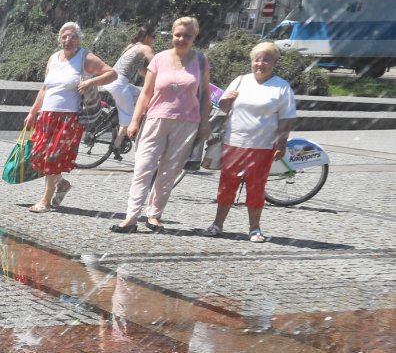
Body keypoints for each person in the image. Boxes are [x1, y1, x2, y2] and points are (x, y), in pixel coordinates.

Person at [112, 17, 211, 233]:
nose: (181, 39)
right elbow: (146, 93)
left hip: (187, 123)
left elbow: (205, 97)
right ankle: (131, 217)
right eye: (178, 35)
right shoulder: (158, 58)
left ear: (194, 37)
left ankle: (154, 215)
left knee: (169, 171)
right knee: (143, 167)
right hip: (155, 119)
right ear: (172, 35)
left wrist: (204, 124)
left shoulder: (201, 61)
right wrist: (135, 120)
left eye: (187, 35)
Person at [205, 42, 297, 243]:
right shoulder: (240, 81)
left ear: (274, 62)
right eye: (257, 59)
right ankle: (217, 224)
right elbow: (224, 107)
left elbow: (286, 118)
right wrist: (226, 100)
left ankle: (254, 228)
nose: (260, 63)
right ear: (251, 61)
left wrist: (281, 143)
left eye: (266, 59)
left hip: (262, 146)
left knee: (256, 188)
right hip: (234, 142)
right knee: (227, 186)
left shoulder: (281, 87)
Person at [21, 22, 116, 212]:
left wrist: (92, 81)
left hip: (69, 118)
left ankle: (45, 201)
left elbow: (112, 73)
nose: (68, 40)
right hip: (47, 115)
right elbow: (45, 87)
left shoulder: (85, 58)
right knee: (39, 155)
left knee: (52, 157)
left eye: (72, 36)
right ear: (59, 39)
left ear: (79, 39)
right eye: (64, 36)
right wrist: (33, 111)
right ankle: (62, 184)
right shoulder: (53, 59)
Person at [101, 24, 154, 152]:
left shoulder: (131, 47)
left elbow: (142, 71)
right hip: (119, 83)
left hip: (112, 81)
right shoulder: (145, 48)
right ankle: (117, 145)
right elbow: (157, 63)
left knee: (140, 95)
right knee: (128, 117)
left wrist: (154, 79)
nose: (154, 40)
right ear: (147, 37)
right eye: (153, 37)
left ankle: (122, 123)